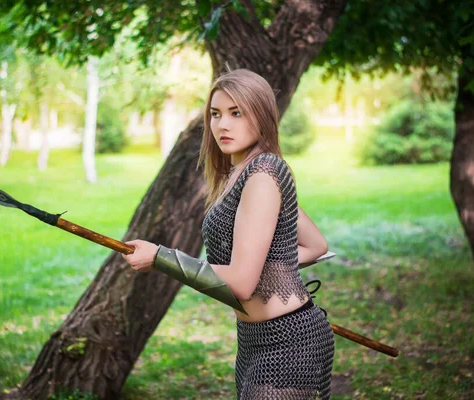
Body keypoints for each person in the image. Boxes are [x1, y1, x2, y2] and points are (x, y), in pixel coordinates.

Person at [122, 68, 334, 399]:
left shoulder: (263, 174)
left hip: (288, 342)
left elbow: (240, 283)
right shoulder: (240, 173)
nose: (223, 125)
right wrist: (265, 267)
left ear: (261, 115)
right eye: (216, 114)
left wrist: (161, 258)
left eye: (236, 113)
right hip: (255, 337)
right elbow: (316, 244)